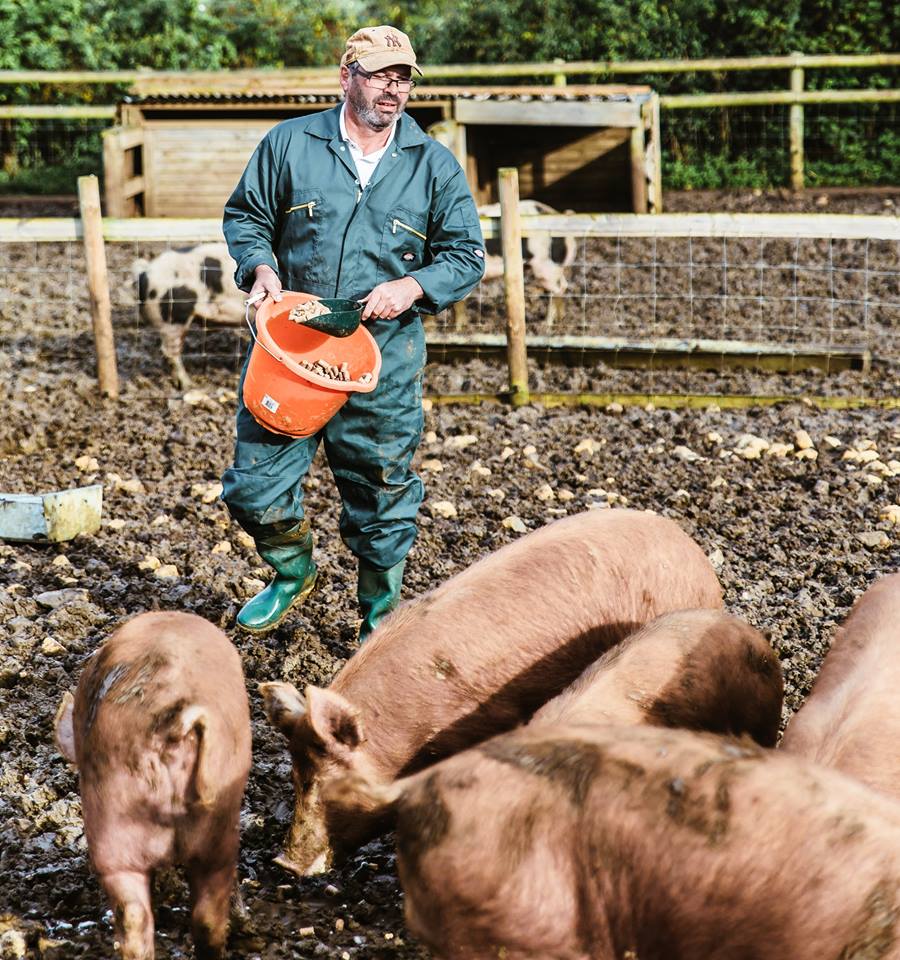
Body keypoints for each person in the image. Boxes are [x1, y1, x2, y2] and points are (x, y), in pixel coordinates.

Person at [221, 25, 486, 640]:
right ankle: (291, 571)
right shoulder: (291, 144)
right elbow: (248, 215)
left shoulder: (433, 165)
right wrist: (260, 268)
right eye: (378, 74)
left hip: (384, 360)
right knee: (254, 486)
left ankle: (379, 622)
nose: (392, 89)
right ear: (347, 77)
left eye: (402, 78)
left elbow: (466, 255)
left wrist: (413, 287)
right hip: (293, 350)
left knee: (383, 491)